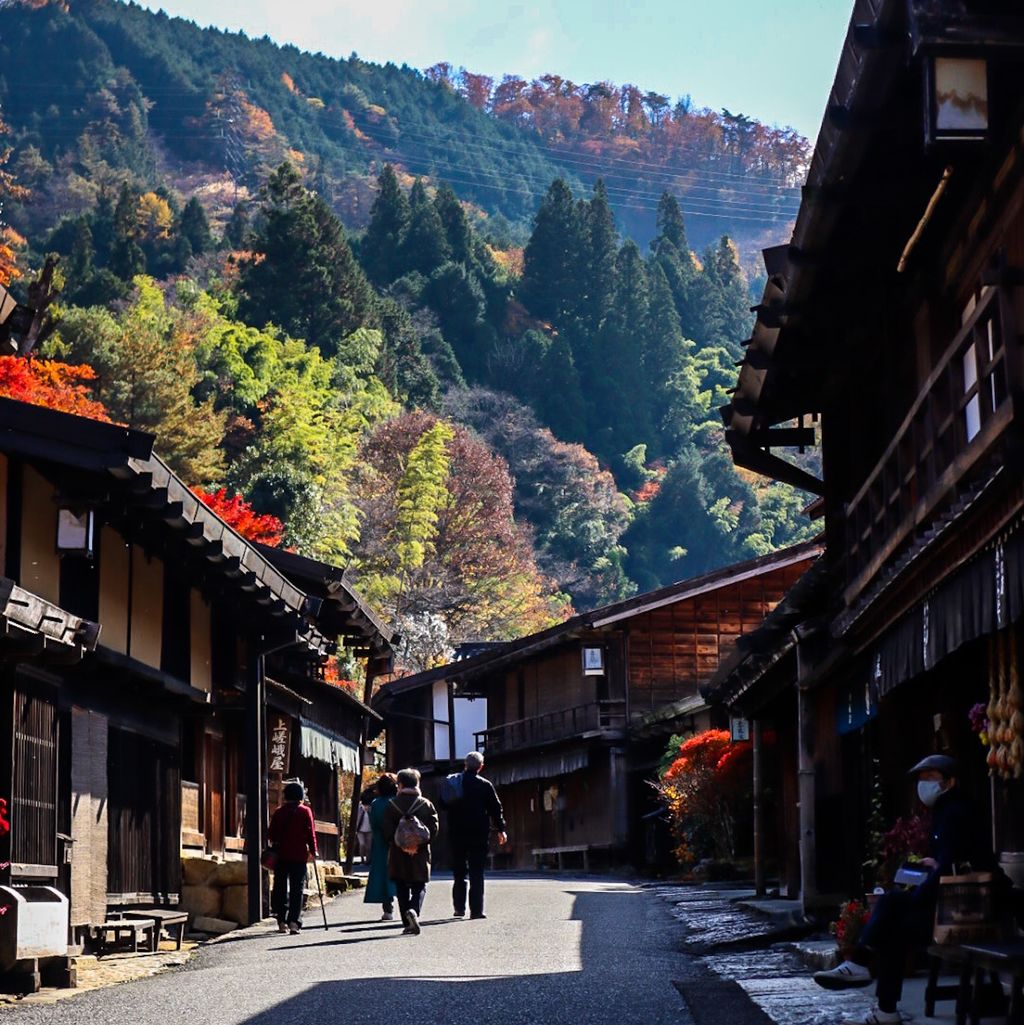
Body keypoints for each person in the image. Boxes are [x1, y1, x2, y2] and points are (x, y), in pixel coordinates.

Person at [813, 754, 1002, 1025]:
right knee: (893, 921)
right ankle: (878, 998)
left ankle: (867, 976)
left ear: (949, 782)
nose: (923, 784)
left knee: (892, 911)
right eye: (921, 779)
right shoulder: (947, 810)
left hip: (970, 906)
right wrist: (934, 865)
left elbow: (954, 865)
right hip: (954, 902)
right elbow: (952, 859)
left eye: (930, 778)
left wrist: (918, 895)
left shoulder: (955, 812)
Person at [441, 750, 508, 920]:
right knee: (477, 872)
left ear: (465, 764)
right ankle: (476, 911)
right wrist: (501, 829)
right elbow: (496, 808)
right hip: (478, 833)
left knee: (459, 872)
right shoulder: (484, 785)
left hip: (456, 832)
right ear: (481, 767)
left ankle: (459, 908)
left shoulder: (454, 782)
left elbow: (443, 803)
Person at [382, 767, 439, 936]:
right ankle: (414, 910)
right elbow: (433, 829)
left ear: (400, 784)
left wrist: (400, 844)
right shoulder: (426, 804)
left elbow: (386, 830)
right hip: (420, 852)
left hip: (398, 853)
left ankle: (407, 922)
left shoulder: (392, 805)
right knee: (419, 885)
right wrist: (418, 845)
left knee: (401, 886)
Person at [268, 778, 318, 935]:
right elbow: (311, 834)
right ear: (301, 796)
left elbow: (271, 834)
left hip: (281, 855)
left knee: (280, 887)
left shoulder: (279, 812)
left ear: (286, 796)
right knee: (297, 889)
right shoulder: (305, 811)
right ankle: (294, 923)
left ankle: (281, 921)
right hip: (299, 855)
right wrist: (313, 850)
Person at [363, 774, 398, 922]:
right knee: (401, 872)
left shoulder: (376, 804)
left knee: (383, 875)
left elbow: (374, 824)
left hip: (381, 842)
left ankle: (388, 909)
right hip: (398, 842)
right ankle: (408, 905)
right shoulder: (397, 802)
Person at [356, 791, 374, 864]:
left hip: (369, 830)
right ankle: (362, 859)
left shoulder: (371, 808)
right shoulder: (359, 808)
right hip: (360, 830)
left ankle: (368, 860)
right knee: (362, 844)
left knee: (368, 846)